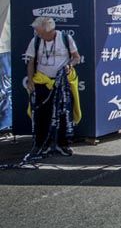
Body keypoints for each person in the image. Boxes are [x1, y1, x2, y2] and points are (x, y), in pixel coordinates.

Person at [24, 16, 81, 157]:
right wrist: (30, 80)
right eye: (37, 32)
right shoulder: (35, 40)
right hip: (42, 81)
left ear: (49, 30)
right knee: (41, 114)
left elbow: (76, 57)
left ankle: (63, 144)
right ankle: (40, 144)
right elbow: (31, 61)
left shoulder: (66, 39)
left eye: (40, 32)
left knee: (63, 113)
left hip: (62, 82)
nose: (38, 34)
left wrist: (69, 66)